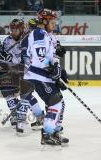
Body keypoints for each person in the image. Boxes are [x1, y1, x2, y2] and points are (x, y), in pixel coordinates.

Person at [23, 9, 69, 145]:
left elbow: (50, 56)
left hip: (44, 76)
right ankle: (47, 135)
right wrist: (54, 71)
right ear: (44, 21)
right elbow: (40, 58)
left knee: (58, 103)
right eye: (52, 22)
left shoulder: (47, 34)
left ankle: (53, 132)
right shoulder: (38, 34)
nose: (54, 25)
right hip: (38, 75)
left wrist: (59, 70)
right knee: (56, 103)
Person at [1, 19, 43, 134]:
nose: (12, 32)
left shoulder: (28, 39)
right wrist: (4, 57)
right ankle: (17, 116)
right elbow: (3, 56)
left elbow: (30, 57)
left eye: (15, 30)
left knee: (26, 96)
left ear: (21, 29)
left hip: (26, 72)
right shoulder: (7, 41)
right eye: (11, 29)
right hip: (12, 73)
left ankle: (39, 117)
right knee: (8, 93)